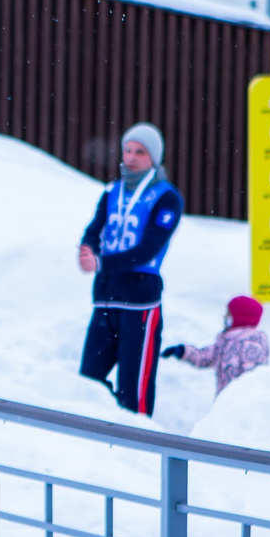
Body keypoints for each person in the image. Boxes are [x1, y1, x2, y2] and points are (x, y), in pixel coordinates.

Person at [75, 123, 183, 415]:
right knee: (88, 381)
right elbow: (94, 229)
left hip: (139, 302)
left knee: (133, 391)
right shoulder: (112, 191)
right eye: (127, 150)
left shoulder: (166, 197)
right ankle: (100, 431)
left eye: (140, 152)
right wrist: (86, 249)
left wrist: (102, 263)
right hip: (106, 297)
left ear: (155, 159)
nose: (131, 157)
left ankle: (137, 449)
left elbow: (149, 247)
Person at [163, 295, 270, 395]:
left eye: (229, 314)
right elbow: (204, 357)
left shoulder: (251, 345)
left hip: (241, 404)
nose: (225, 316)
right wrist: (183, 351)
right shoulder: (226, 341)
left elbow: (253, 380)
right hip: (224, 402)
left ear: (241, 317)